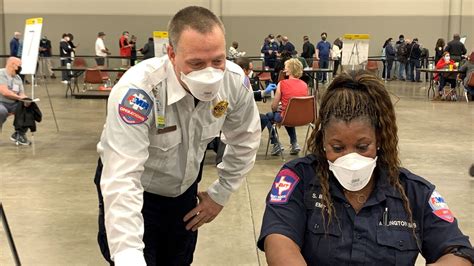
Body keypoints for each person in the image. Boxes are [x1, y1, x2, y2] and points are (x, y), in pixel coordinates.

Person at [94, 6, 261, 266]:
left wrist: (221, 193)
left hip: (184, 191)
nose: (209, 73)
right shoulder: (138, 92)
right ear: (171, 54)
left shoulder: (234, 82)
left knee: (178, 260)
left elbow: (245, 139)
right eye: (196, 63)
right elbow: (122, 179)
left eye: (217, 61)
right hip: (139, 191)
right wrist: (128, 255)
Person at [257, 70, 474, 265]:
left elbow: (460, 253)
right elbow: (279, 240)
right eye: (337, 147)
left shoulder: (413, 192)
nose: (350, 158)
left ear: (379, 138)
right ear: (322, 141)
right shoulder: (298, 179)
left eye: (362, 147)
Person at [263, 58, 308, 156]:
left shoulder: (282, 84)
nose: (284, 69)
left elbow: (274, 107)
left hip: (286, 117)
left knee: (268, 116)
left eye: (286, 67)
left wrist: (279, 107)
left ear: (291, 70)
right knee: (288, 114)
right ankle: (294, 143)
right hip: (303, 118)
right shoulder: (305, 85)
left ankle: (276, 144)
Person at [0, 57, 31, 145]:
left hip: (13, 103)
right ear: (13, 65)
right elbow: (5, 92)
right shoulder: (1, 74)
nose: (21, 67)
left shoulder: (18, 78)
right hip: (1, 102)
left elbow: (21, 93)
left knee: (29, 108)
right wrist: (19, 98)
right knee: (1, 111)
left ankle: (19, 134)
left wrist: (26, 99)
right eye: (19, 65)